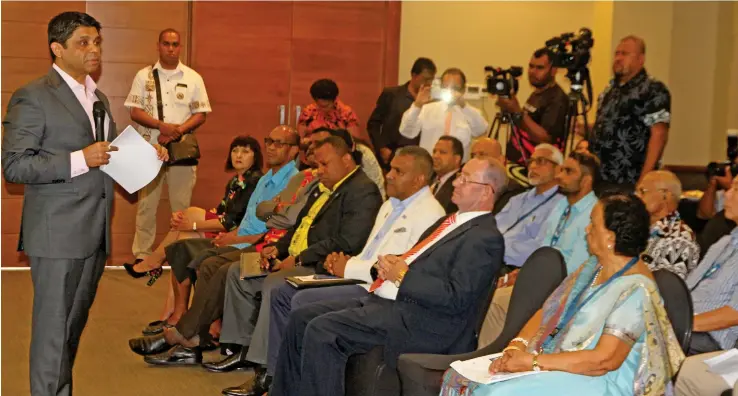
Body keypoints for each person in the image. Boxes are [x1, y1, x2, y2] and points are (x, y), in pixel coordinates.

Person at [0, 12, 168, 396]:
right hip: (57, 234)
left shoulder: (99, 98)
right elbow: (14, 165)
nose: (94, 50)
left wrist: (144, 157)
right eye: (83, 43)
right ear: (56, 50)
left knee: (70, 330)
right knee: (52, 334)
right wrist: (81, 158)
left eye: (97, 42)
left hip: (94, 233)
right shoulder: (34, 95)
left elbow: (105, 158)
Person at [270, 158, 508, 396]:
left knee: (323, 330)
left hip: (426, 322)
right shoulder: (449, 222)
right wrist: (392, 263)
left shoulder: (485, 237)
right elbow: (419, 262)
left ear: (486, 191)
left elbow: (456, 297)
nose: (456, 182)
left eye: (465, 179)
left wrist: (403, 275)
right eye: (459, 176)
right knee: (302, 316)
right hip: (396, 302)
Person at [220, 146, 445, 395]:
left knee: (299, 299)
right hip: (355, 275)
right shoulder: (391, 204)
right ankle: (278, 382)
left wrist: (345, 265)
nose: (389, 175)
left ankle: (285, 385)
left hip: (378, 292)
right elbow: (366, 252)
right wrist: (339, 262)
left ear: (419, 179)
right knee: (284, 292)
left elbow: (390, 270)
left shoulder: (430, 214)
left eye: (398, 171)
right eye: (390, 168)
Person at [440, 193, 685, 396]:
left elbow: (603, 361)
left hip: (604, 382)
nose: (587, 230)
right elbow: (547, 311)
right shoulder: (593, 266)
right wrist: (517, 346)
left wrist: (531, 363)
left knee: (496, 393)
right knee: (460, 377)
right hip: (562, 363)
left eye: (593, 224)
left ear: (610, 238)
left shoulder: (636, 287)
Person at [123, 136, 264, 285]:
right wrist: (186, 221)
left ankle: (154, 264)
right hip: (225, 227)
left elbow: (231, 222)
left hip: (237, 235)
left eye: (245, 152)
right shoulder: (235, 181)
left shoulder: (254, 182)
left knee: (187, 226)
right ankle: (171, 298)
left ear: (255, 157)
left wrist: (193, 225)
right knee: (185, 228)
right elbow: (219, 211)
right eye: (235, 150)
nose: (239, 155)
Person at [125, 28, 212, 266]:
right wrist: (160, 126)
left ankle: (177, 253)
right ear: (158, 45)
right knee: (146, 205)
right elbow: (134, 111)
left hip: (181, 149)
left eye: (175, 44)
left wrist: (176, 131)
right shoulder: (144, 76)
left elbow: (201, 113)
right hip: (150, 147)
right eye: (166, 44)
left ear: (180, 47)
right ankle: (142, 254)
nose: (171, 48)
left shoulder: (193, 77)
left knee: (181, 207)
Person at [588, 35, 671, 189]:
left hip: (629, 178)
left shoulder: (652, 89)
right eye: (617, 53)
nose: (618, 58)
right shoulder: (609, 91)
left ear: (641, 59)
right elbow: (611, 127)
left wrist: (645, 179)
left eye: (625, 54)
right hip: (600, 178)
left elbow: (659, 134)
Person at [684, 175, 738, 357]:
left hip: (710, 339)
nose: (727, 195)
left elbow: (733, 314)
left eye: (736, 189)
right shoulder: (724, 241)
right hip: (686, 323)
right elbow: (688, 287)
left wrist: (680, 324)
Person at [496, 48, 569, 166]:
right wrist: (509, 109)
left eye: (540, 68)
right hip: (518, 162)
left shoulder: (557, 99)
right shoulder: (537, 93)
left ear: (553, 71)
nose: (532, 72)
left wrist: (518, 111)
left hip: (537, 166)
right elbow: (525, 124)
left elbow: (545, 138)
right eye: (531, 66)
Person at [399, 67, 488, 161]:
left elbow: (481, 131)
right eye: (446, 88)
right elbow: (407, 132)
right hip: (430, 166)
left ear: (463, 90)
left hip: (458, 170)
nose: (451, 92)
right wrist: (417, 105)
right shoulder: (427, 109)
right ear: (441, 88)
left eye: (455, 88)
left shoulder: (470, 112)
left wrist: (464, 106)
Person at [367, 57, 436, 168]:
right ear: (414, 75)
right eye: (425, 79)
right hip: (392, 153)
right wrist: (382, 148)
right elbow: (373, 123)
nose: (428, 83)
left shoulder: (432, 101)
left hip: (419, 156)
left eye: (431, 80)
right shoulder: (392, 95)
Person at [539, 151, 600, 273]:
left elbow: (574, 271)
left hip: (561, 284)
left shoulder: (594, 214)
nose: (559, 176)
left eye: (568, 171)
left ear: (586, 181)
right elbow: (544, 246)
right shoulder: (562, 203)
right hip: (542, 273)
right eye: (561, 170)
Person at [635, 170, 700, 279]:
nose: (636, 196)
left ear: (665, 195)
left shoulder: (681, 238)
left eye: (642, 191)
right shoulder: (637, 226)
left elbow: (667, 288)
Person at [431, 136, 463, 214]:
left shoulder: (460, 185)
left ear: (456, 159)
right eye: (434, 151)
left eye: (442, 152)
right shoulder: (428, 178)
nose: (435, 156)